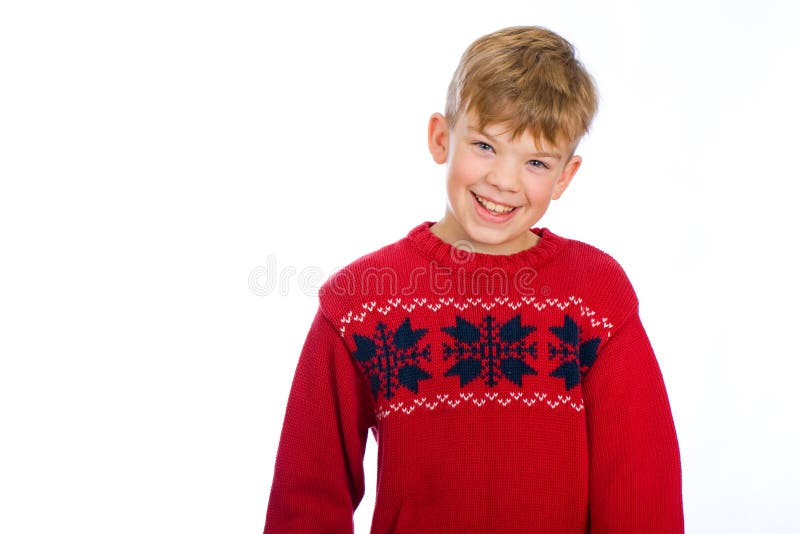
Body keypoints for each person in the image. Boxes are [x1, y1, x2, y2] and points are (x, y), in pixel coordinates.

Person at [263, 26, 684, 534]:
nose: (503, 180)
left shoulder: (595, 296)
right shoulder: (358, 303)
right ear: (441, 138)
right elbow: (306, 497)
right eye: (485, 146)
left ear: (564, 176)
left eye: (535, 162)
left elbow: (642, 490)